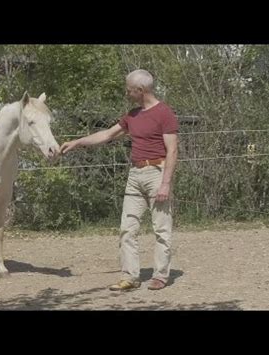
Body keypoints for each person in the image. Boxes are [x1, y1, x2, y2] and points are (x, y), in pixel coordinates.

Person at [60, 69, 179, 291]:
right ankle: (130, 276)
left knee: (161, 228)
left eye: (129, 89)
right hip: (135, 174)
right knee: (127, 227)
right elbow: (107, 134)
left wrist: (165, 183)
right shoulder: (132, 116)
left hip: (157, 172)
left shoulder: (165, 113)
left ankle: (160, 275)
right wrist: (77, 142)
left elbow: (172, 151)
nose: (127, 92)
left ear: (141, 90)